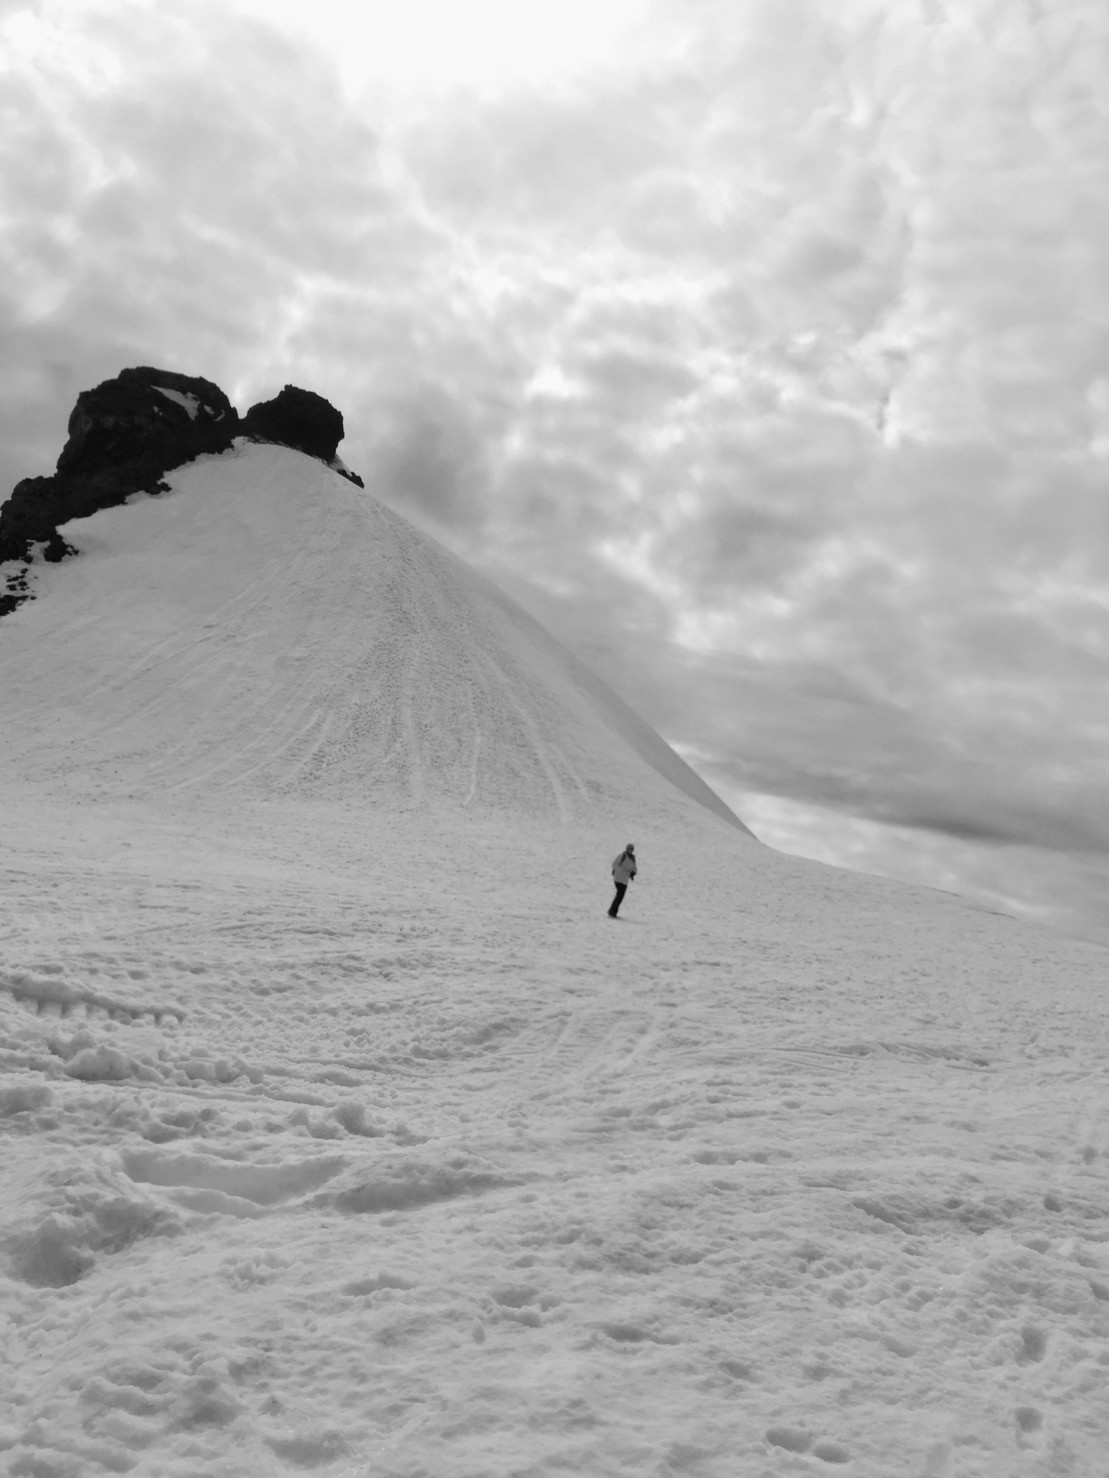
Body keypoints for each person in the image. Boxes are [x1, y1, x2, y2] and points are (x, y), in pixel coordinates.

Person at [608, 843, 637, 917]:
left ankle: (613, 911)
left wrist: (633, 873)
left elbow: (634, 868)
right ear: (627, 849)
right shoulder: (622, 856)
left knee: (620, 896)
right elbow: (614, 864)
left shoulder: (633, 858)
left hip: (624, 881)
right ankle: (612, 911)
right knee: (619, 895)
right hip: (618, 878)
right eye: (629, 849)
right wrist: (623, 871)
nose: (630, 851)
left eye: (631, 849)